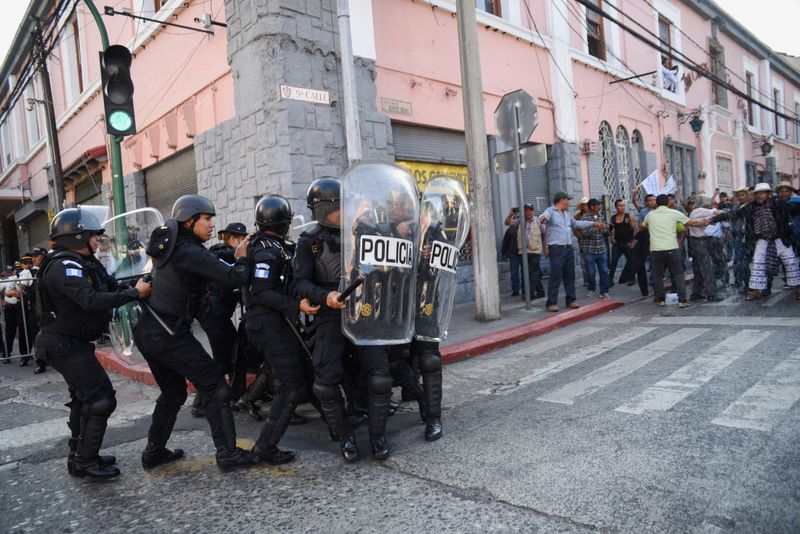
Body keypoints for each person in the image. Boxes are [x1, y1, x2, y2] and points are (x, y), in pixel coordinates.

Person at [134, 195, 254, 471]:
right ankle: (228, 454)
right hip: (167, 332)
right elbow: (236, 276)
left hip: (149, 329)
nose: (213, 224)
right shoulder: (188, 251)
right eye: (207, 219)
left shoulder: (170, 246)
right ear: (190, 220)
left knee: (174, 392)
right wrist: (242, 258)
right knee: (215, 386)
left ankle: (154, 452)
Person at [36, 207, 151, 479]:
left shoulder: (84, 262)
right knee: (101, 399)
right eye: (93, 237)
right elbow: (89, 300)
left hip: (71, 342)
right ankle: (86, 460)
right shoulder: (65, 266)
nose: (98, 242)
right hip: (63, 343)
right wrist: (135, 293)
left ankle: (81, 457)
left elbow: (110, 286)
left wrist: (138, 282)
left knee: (84, 399)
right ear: (78, 238)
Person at [294, 177, 393, 462]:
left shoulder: (364, 232)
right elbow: (299, 283)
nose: (344, 210)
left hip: (365, 313)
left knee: (380, 377)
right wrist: (325, 297)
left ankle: (378, 437)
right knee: (325, 381)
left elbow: (386, 267)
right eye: (337, 205)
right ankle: (345, 437)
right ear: (323, 208)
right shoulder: (309, 242)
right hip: (330, 316)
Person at [246, 195, 320, 465]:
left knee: (306, 372)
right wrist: (295, 304)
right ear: (286, 221)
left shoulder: (276, 246)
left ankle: (339, 426)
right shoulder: (267, 250)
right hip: (269, 323)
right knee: (291, 386)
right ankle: (265, 447)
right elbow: (261, 291)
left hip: (277, 322)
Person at [191, 221, 248, 418]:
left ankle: (235, 395)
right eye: (242, 239)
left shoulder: (222, 255)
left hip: (216, 314)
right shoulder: (225, 255)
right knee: (223, 360)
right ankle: (201, 403)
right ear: (234, 238)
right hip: (214, 314)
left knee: (232, 353)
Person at [713, 182, 800, 301]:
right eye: (758, 193)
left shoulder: (778, 204)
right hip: (762, 240)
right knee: (758, 264)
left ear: (768, 194)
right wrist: (711, 220)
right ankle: (756, 291)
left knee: (790, 262)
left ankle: (798, 289)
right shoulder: (751, 207)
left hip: (780, 239)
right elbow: (734, 214)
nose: (760, 196)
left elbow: (795, 209)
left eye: (762, 193)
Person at [539, 192, 606, 312]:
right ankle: (551, 302)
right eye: (567, 200)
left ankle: (571, 300)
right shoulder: (550, 211)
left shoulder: (566, 214)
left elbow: (576, 223)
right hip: (556, 249)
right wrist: (543, 218)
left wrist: (593, 223)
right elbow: (543, 218)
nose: (568, 202)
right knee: (556, 275)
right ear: (561, 200)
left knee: (570, 275)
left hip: (568, 248)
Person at [642, 194, 710, 306]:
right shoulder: (674, 213)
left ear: (657, 203)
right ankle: (682, 300)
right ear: (667, 203)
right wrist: (705, 222)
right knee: (678, 274)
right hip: (671, 248)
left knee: (658, 276)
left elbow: (642, 226)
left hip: (656, 250)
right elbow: (692, 223)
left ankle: (660, 299)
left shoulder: (650, 215)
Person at [687, 196, 721, 302]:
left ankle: (696, 293)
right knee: (708, 267)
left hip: (695, 241)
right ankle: (712, 294)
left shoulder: (695, 212)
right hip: (699, 241)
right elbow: (718, 212)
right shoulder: (700, 210)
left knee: (698, 268)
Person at [579, 199, 610, 298]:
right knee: (591, 272)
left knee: (604, 271)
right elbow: (584, 232)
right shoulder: (584, 218)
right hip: (589, 249)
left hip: (601, 248)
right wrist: (596, 227)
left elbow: (605, 231)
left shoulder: (601, 216)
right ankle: (591, 289)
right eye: (597, 205)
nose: (600, 207)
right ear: (592, 207)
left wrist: (606, 229)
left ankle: (604, 291)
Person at [517, 203, 545, 299]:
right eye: (526, 210)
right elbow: (507, 223)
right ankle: (541, 291)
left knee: (532, 272)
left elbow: (545, 234)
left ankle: (530, 294)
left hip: (535, 251)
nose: (528, 212)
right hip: (523, 252)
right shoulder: (519, 221)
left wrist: (546, 248)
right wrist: (511, 214)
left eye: (530, 210)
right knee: (531, 272)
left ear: (533, 211)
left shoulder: (538, 221)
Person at [609, 199, 636, 285]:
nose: (622, 207)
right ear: (616, 207)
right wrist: (611, 237)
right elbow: (611, 230)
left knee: (630, 261)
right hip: (617, 243)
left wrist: (633, 241)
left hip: (628, 242)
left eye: (623, 205)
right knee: (613, 261)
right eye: (620, 206)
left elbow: (635, 229)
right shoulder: (613, 218)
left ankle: (631, 278)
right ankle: (610, 280)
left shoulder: (629, 217)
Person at [500, 208, 522, 296]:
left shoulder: (526, 227)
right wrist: (504, 254)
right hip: (513, 254)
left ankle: (525, 290)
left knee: (525, 273)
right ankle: (515, 290)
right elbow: (505, 242)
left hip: (524, 253)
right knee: (514, 273)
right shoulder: (510, 230)